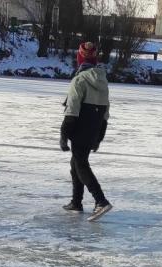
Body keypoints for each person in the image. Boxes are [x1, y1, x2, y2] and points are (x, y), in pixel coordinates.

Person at [60, 42, 112, 221]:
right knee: (75, 163)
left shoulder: (79, 80)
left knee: (81, 164)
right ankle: (76, 202)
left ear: (79, 58)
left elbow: (72, 110)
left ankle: (101, 201)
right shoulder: (103, 81)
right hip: (94, 127)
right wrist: (99, 136)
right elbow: (105, 112)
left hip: (80, 127)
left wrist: (64, 135)